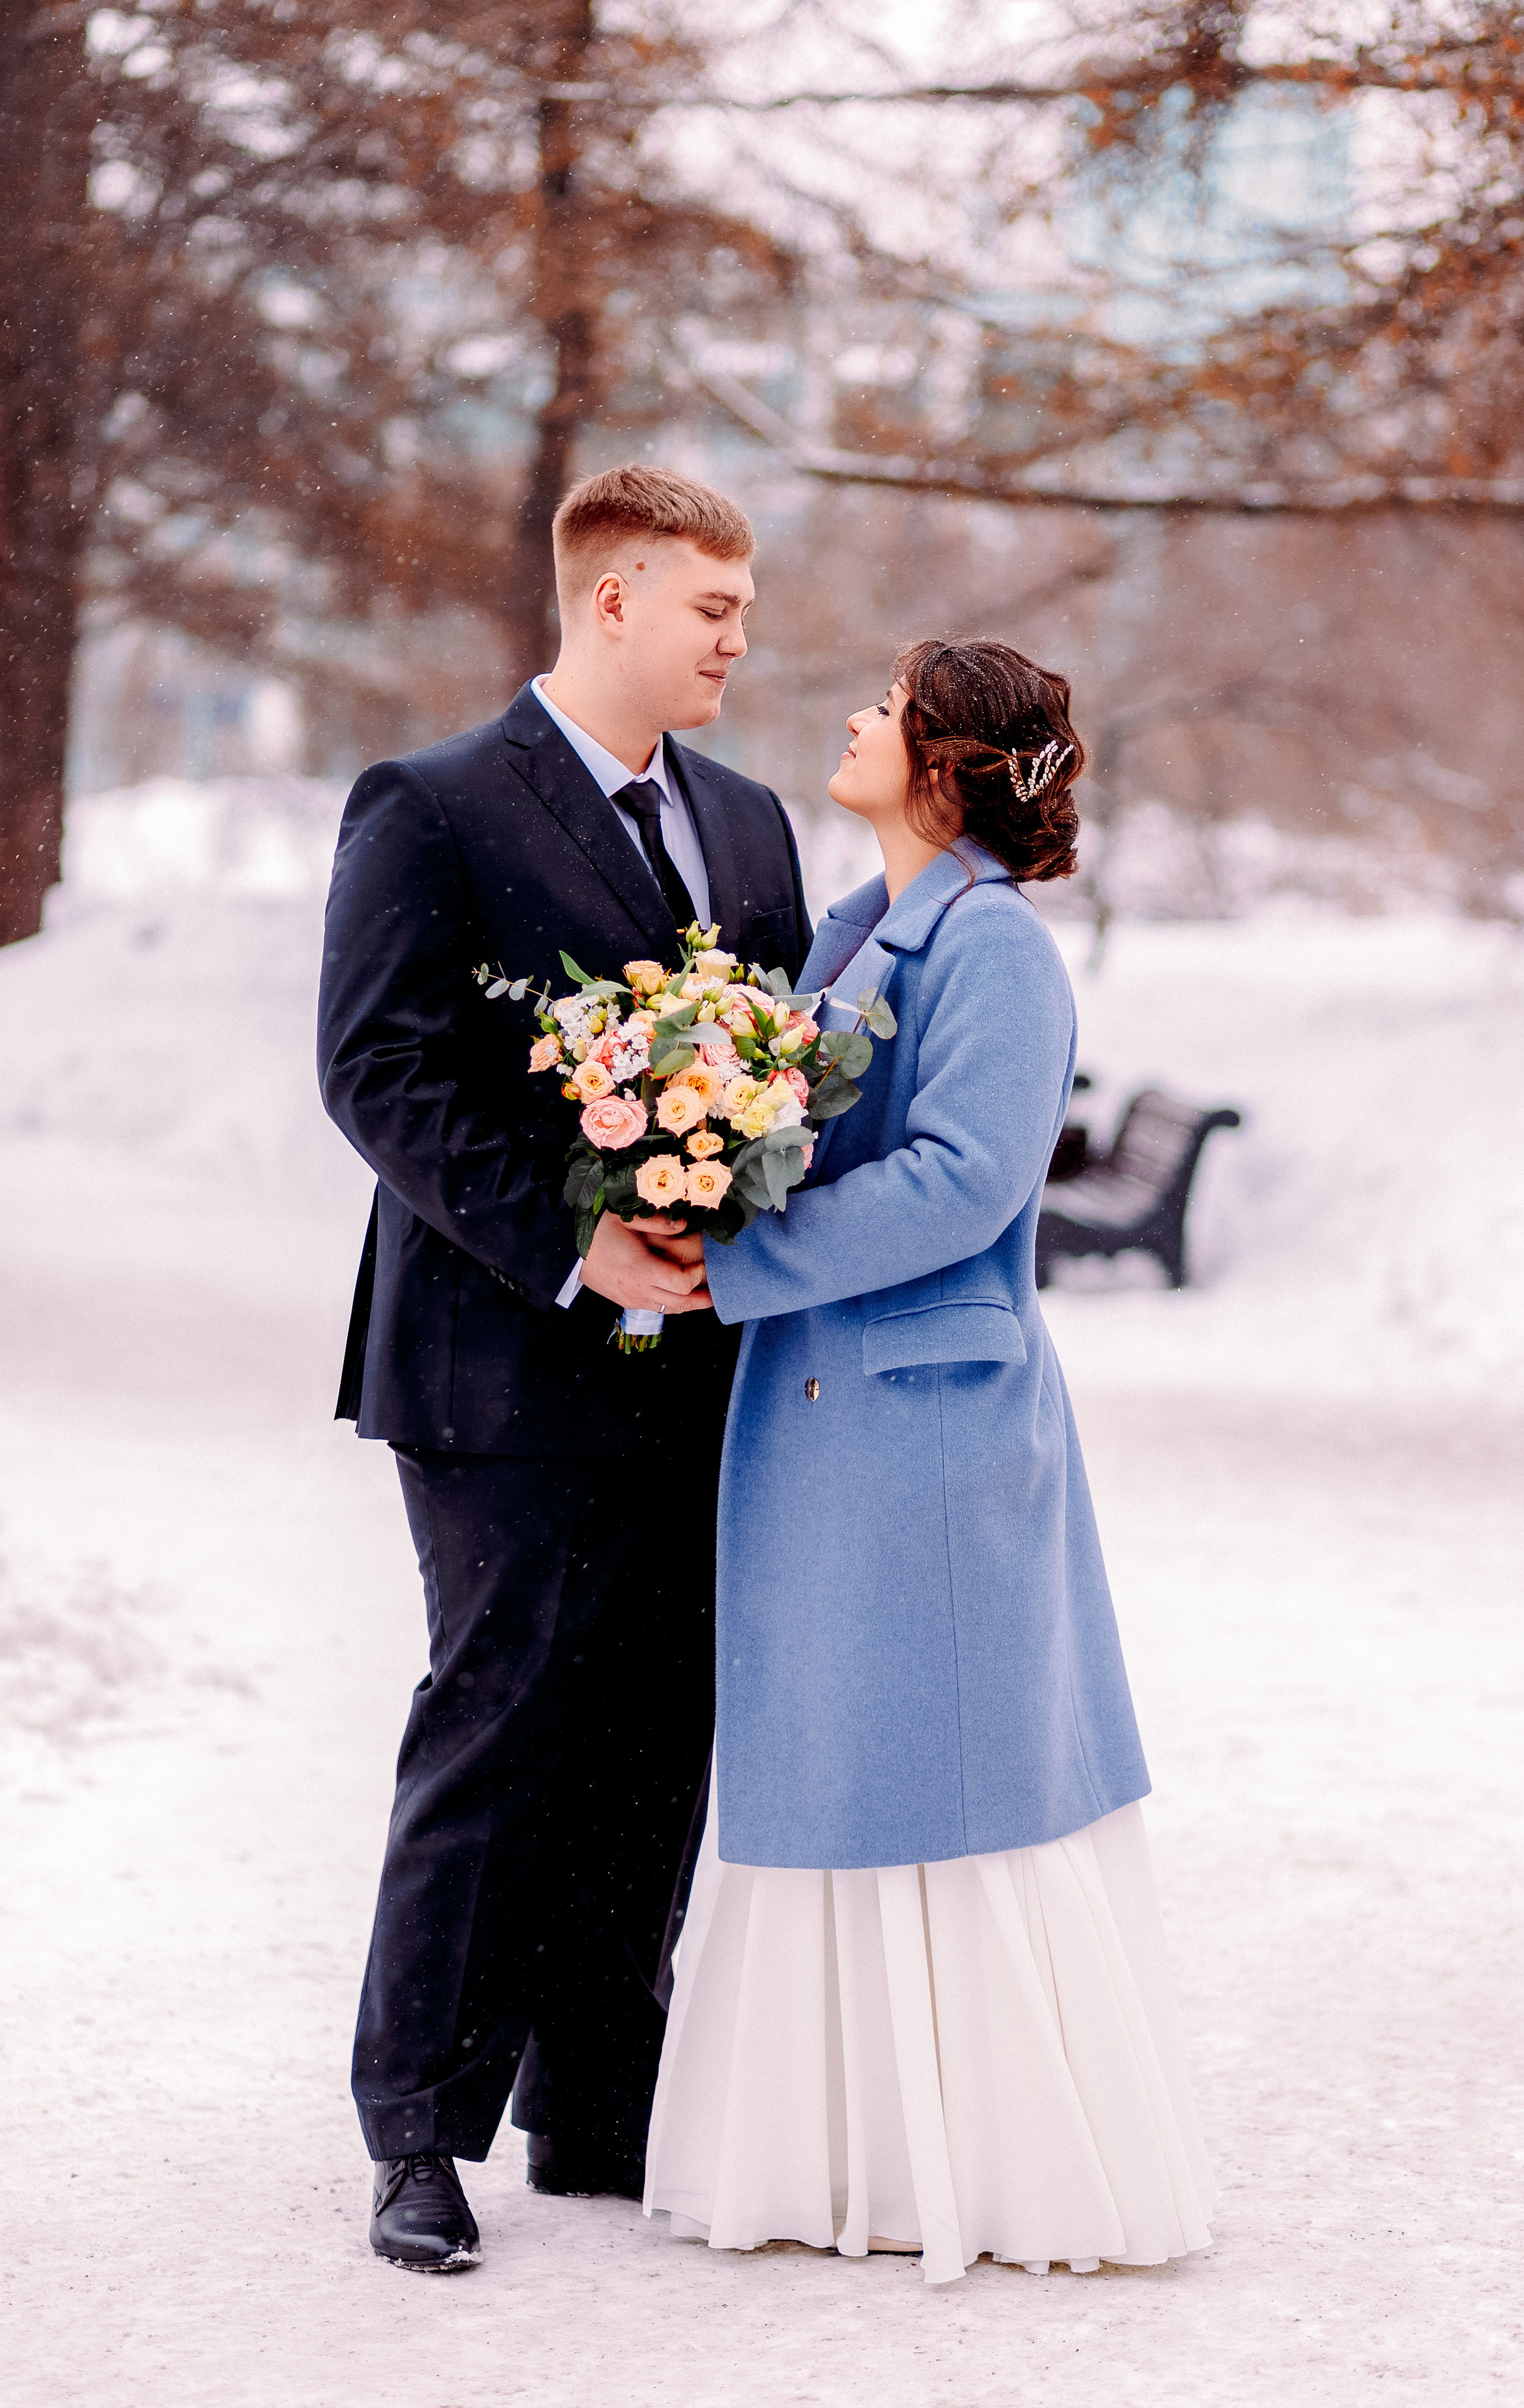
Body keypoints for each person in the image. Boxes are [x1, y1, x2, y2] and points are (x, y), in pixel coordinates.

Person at [643, 640, 1215, 2283]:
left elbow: (969, 1183)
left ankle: (991, 2170)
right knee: (839, 1762)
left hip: (928, 1425)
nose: (853, 719)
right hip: (832, 1413)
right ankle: (852, 2157)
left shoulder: (997, 951)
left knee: (941, 1777)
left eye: (886, 708)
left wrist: (730, 1265)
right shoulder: (862, 929)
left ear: (949, 762)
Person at [317, 463, 811, 2270]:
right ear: (613, 600)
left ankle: (602, 2108)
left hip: (693, 1370)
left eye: (743, 615)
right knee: (500, 1715)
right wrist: (566, 1233)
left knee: (652, 1733)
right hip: (490, 1364)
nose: (738, 645)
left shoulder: (752, 823)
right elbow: (378, 1071)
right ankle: (418, 2132)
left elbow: (777, 1066)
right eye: (711, 613)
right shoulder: (433, 806)